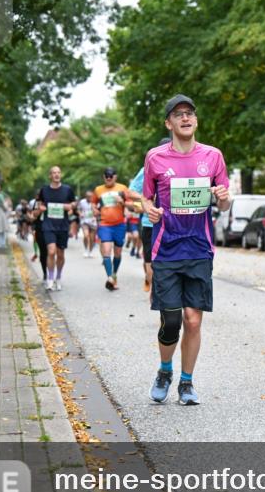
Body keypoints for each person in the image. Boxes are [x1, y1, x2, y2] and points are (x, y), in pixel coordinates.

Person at [142, 95, 230, 406]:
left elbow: (224, 201)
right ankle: (165, 371)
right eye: (178, 114)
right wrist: (149, 210)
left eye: (189, 113)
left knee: (193, 319)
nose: (185, 118)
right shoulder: (155, 158)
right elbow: (147, 199)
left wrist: (222, 196)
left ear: (195, 120)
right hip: (166, 249)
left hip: (199, 247)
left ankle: (187, 383)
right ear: (168, 123)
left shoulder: (213, 156)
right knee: (171, 322)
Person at [129, 137, 170, 295]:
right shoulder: (147, 168)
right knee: (150, 261)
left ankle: (160, 290)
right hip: (149, 223)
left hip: (173, 224)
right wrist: (147, 198)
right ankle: (153, 289)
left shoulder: (182, 167)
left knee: (167, 261)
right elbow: (131, 191)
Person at [36, 166, 76, 291]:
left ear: (61, 175)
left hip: (62, 226)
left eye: (58, 172)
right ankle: (50, 278)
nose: (56, 175)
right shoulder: (44, 190)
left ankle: (58, 277)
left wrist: (69, 207)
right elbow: (39, 203)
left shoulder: (67, 190)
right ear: (50, 176)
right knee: (51, 251)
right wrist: (40, 208)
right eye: (54, 173)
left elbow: (73, 204)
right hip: (48, 225)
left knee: (60, 254)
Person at [93, 167, 130, 291]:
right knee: (107, 251)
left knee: (118, 253)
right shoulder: (98, 190)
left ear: (115, 176)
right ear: (103, 177)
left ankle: (114, 274)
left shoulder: (123, 188)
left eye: (111, 176)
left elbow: (131, 205)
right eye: (106, 176)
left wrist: (123, 202)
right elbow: (93, 203)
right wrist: (94, 209)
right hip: (105, 224)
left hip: (119, 225)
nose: (108, 178)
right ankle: (110, 277)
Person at [77, 191, 98, 257]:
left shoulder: (94, 202)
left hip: (93, 222)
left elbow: (98, 211)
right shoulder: (82, 202)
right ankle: (86, 250)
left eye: (91, 197)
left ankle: (90, 251)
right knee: (86, 235)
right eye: (88, 197)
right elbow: (78, 209)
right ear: (85, 197)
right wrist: (80, 214)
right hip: (84, 221)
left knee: (92, 238)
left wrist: (95, 215)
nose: (90, 198)